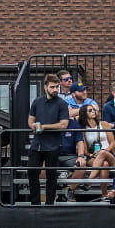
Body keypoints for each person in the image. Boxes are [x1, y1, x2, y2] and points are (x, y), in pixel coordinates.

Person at [26, 74, 70, 205]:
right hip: (37, 144)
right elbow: (30, 120)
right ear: (45, 87)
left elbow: (64, 124)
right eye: (52, 87)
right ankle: (35, 203)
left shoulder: (62, 103)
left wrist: (45, 127)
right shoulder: (37, 101)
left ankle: (50, 204)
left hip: (53, 144)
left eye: (57, 86)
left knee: (51, 175)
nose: (55, 89)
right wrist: (33, 126)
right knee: (32, 172)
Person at [76, 104, 115, 200]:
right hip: (93, 156)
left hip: (109, 154)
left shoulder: (104, 124)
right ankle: (104, 195)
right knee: (104, 164)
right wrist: (92, 155)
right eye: (90, 110)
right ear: (84, 114)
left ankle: (89, 181)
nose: (93, 111)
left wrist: (104, 151)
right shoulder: (83, 130)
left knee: (103, 155)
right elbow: (85, 151)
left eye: (94, 109)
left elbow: (113, 143)